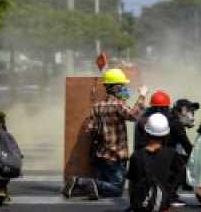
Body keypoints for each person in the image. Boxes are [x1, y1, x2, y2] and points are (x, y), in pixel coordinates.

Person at [63, 68, 148, 200]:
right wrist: (142, 96)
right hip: (117, 156)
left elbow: (88, 128)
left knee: (102, 188)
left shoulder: (98, 106)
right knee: (116, 190)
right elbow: (134, 115)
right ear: (116, 88)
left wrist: (103, 130)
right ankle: (81, 182)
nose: (125, 89)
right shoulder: (119, 105)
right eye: (123, 86)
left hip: (101, 155)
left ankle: (86, 184)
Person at [127, 113, 186, 212]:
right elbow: (181, 171)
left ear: (145, 132)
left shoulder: (136, 155)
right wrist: (170, 191)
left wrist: (134, 202)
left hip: (140, 206)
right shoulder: (171, 154)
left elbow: (132, 184)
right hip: (162, 206)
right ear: (166, 134)